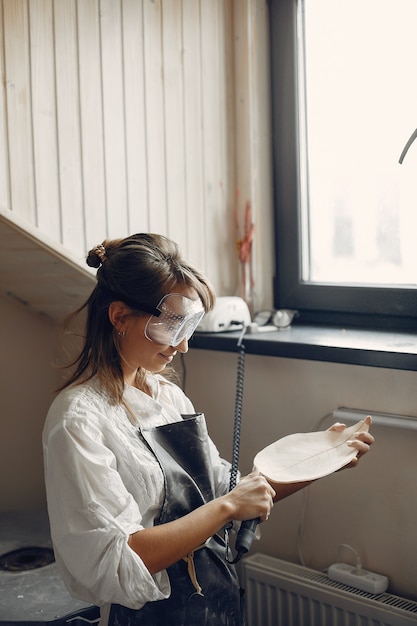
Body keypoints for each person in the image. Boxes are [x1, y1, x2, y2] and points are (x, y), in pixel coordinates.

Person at [42, 233, 374, 626]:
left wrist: (323, 461)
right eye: (171, 324)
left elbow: (226, 491)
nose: (182, 346)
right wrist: (227, 506)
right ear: (118, 317)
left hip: (211, 605)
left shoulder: (168, 397)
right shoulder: (79, 420)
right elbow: (123, 558)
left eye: (189, 325)